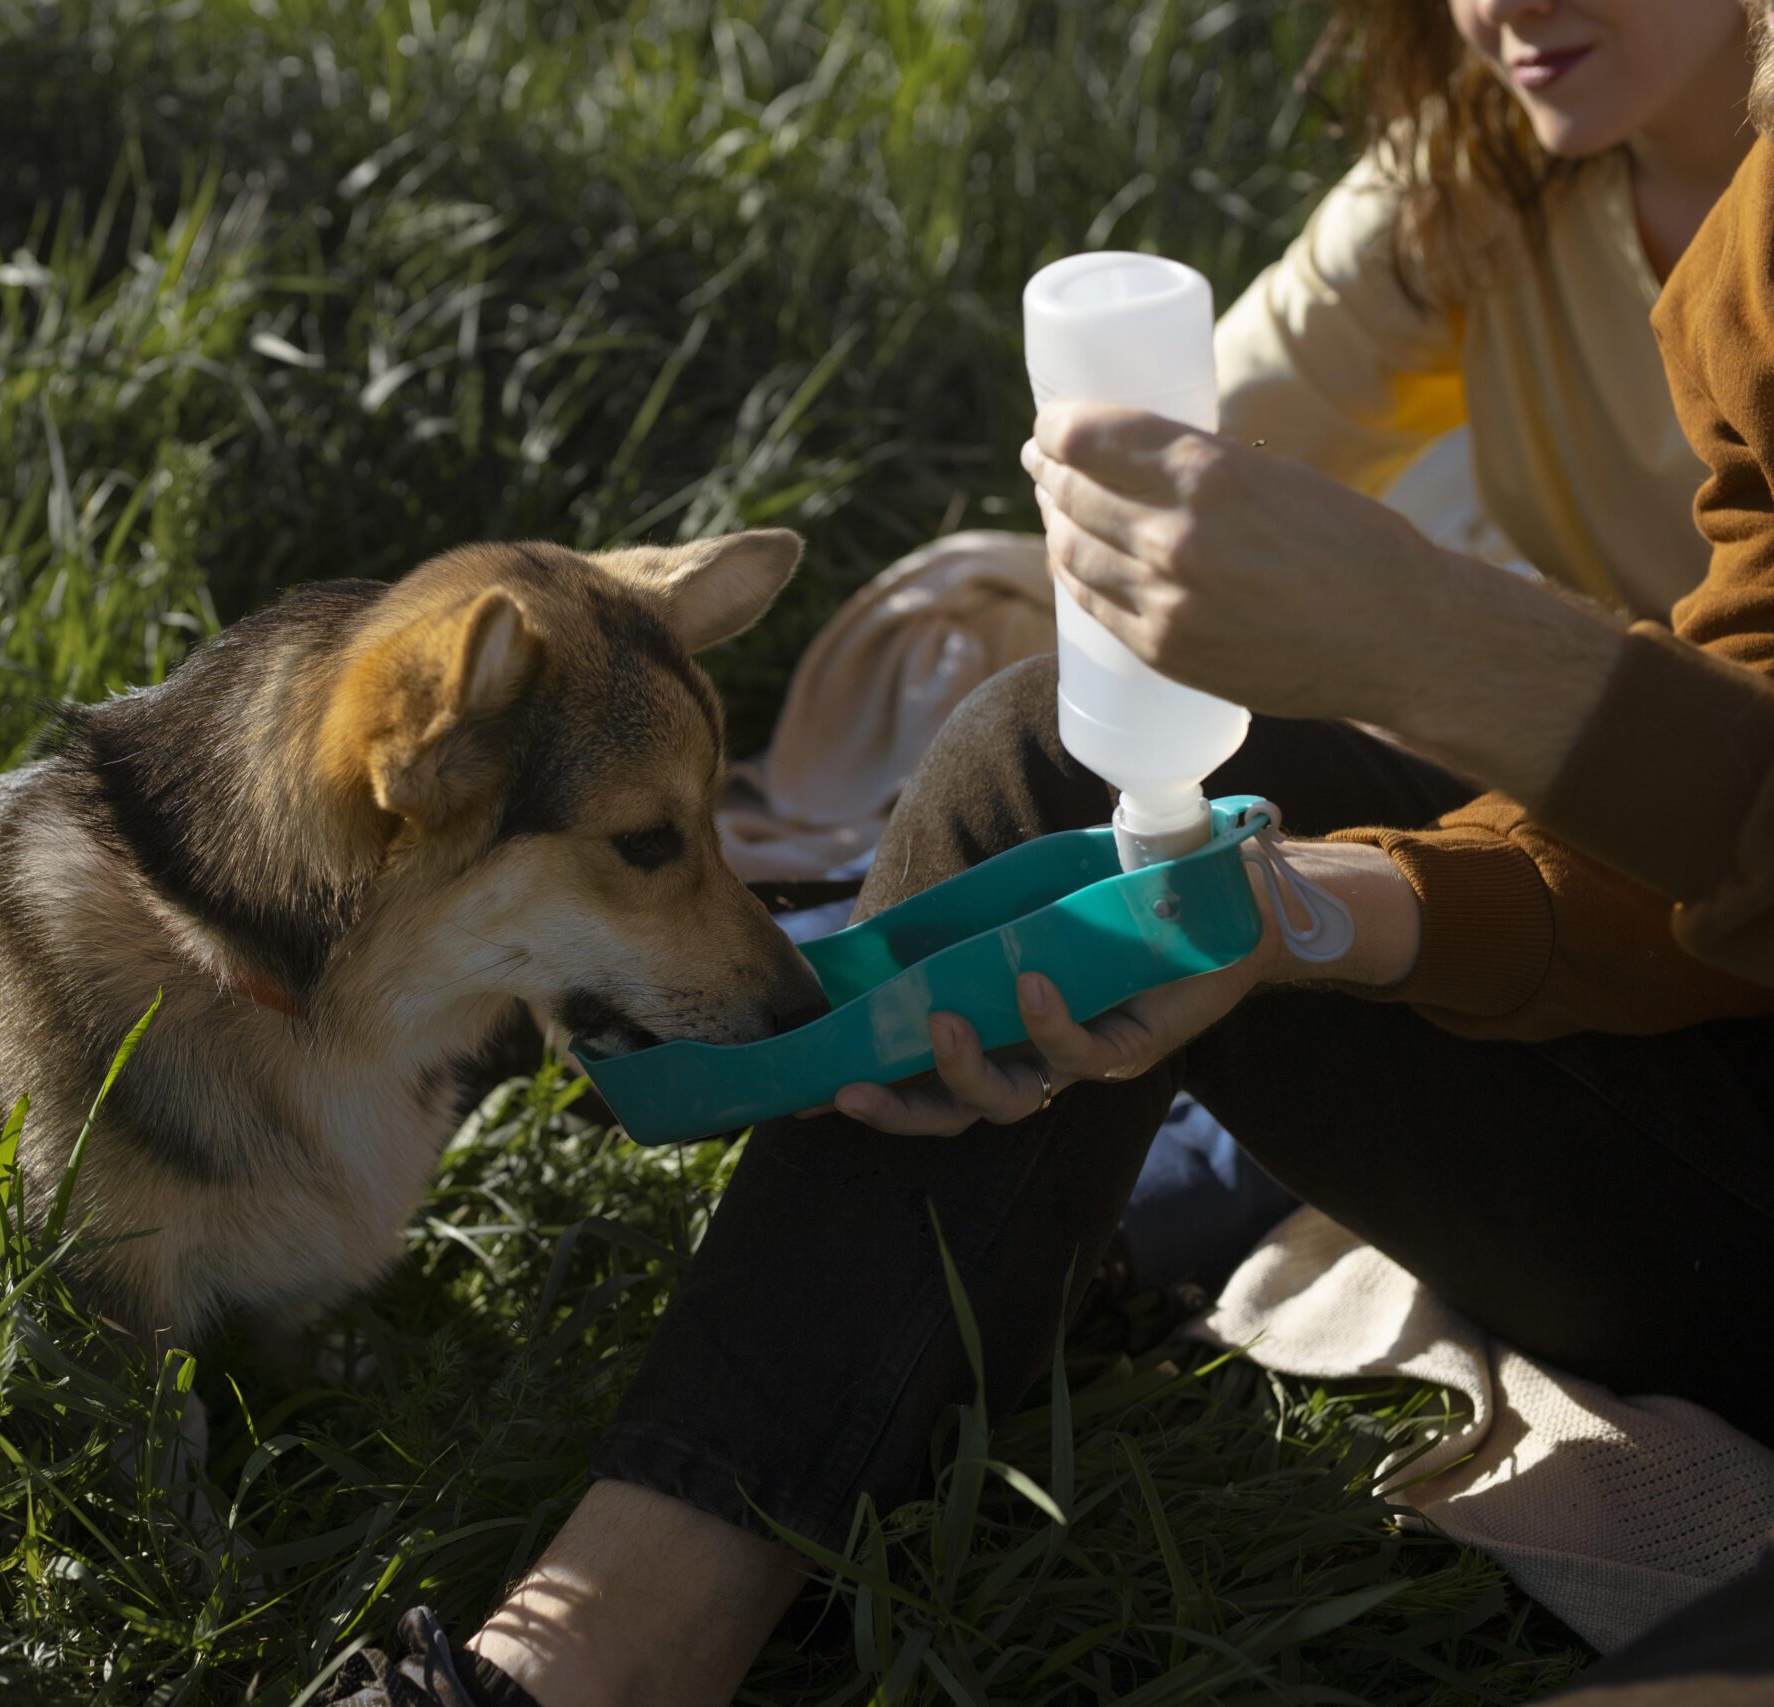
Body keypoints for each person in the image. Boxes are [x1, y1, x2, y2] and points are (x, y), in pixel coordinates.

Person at [321, 1, 1774, 1703]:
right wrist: (1301, 911)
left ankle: (1035, 1267)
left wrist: (1439, 642)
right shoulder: (1657, 228)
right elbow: (1715, 833)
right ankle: (589, 1657)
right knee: (1055, 760)